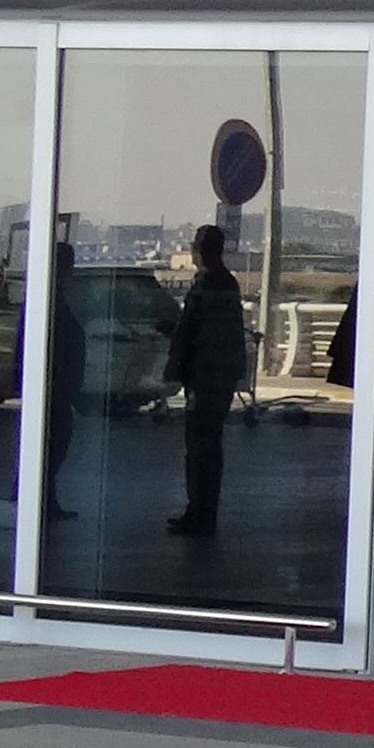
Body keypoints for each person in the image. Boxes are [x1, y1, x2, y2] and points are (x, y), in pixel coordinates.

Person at [165, 224, 251, 537]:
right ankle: (205, 512)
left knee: (199, 446)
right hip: (222, 375)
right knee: (211, 445)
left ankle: (198, 512)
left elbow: (188, 329)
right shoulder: (229, 283)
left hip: (203, 376)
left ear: (197, 249)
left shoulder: (204, 284)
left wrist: (174, 367)